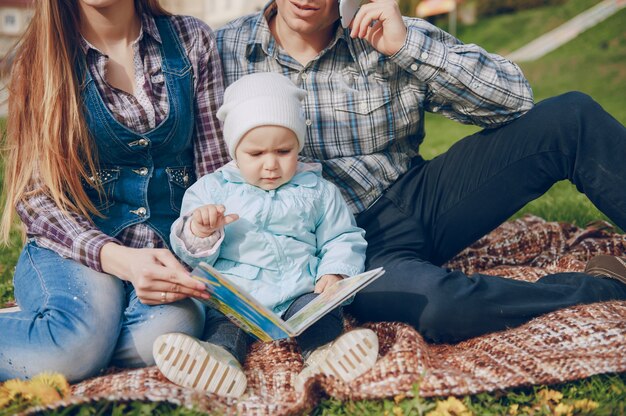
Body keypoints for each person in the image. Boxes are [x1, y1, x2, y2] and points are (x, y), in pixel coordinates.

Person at [216, 0, 626, 344]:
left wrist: (406, 46)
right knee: (442, 307)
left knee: (570, 118)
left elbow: (515, 100)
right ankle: (604, 289)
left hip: (418, 197)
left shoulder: (383, 29)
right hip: (338, 248)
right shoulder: (224, 50)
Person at [0, 0, 230, 382]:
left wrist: (197, 242)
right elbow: (36, 199)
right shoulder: (39, 59)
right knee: (76, 350)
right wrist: (120, 260)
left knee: (172, 327)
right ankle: (76, 338)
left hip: (160, 248)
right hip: (74, 249)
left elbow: (214, 177)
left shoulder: (192, 40)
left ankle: (67, 330)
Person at [153, 72, 378, 398]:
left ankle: (327, 356)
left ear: (298, 146)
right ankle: (219, 362)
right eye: (256, 155)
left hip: (298, 293)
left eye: (284, 151)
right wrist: (199, 230)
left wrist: (336, 271)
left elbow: (342, 236)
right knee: (222, 328)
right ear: (234, 150)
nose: (271, 165)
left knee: (321, 314)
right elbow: (188, 253)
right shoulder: (212, 190)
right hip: (239, 301)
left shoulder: (318, 190)